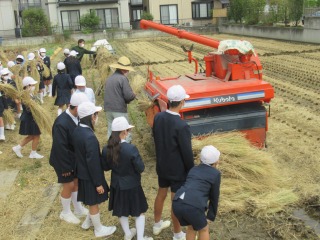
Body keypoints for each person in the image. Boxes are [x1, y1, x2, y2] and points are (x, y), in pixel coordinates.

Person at [152, 85, 194, 240]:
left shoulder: (158, 118)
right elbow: (187, 153)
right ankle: (177, 234)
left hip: (162, 165)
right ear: (182, 102)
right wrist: (191, 170)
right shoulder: (182, 125)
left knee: (161, 193)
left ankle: (157, 224)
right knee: (175, 202)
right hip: (177, 170)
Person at [102, 117, 152, 240]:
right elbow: (140, 168)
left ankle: (128, 233)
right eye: (128, 130)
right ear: (124, 132)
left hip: (116, 184)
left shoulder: (106, 149)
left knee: (121, 210)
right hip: (132, 184)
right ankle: (140, 238)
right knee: (138, 211)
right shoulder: (131, 149)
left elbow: (106, 167)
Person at [72, 101, 116, 238]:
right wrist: (98, 183)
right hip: (91, 175)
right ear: (91, 117)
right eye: (96, 115)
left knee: (91, 200)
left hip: (82, 172)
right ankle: (98, 229)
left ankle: (87, 222)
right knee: (93, 202)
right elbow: (93, 162)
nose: (97, 118)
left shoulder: (77, 129)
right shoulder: (89, 137)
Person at [49, 92, 90, 225]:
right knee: (69, 184)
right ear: (76, 108)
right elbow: (60, 147)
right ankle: (65, 212)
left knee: (76, 182)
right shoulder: (61, 122)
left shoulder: (77, 117)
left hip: (73, 158)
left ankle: (78, 208)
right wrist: (66, 167)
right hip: (62, 159)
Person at [172, 145, 221, 240]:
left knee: (191, 227)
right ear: (216, 161)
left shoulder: (194, 169)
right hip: (193, 206)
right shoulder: (215, 174)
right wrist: (211, 216)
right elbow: (214, 197)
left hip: (177, 202)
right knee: (204, 229)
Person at [104, 56, 136, 140]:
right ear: (124, 69)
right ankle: (126, 150)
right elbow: (128, 96)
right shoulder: (122, 79)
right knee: (125, 131)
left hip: (108, 109)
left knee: (111, 130)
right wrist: (134, 94)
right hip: (118, 110)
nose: (128, 71)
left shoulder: (109, 78)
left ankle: (110, 149)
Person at [12, 77, 44, 159]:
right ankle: (33, 153)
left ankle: (18, 148)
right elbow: (28, 108)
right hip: (29, 118)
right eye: (32, 85)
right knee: (36, 135)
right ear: (28, 86)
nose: (34, 86)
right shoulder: (25, 95)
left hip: (31, 117)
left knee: (32, 136)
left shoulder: (30, 94)